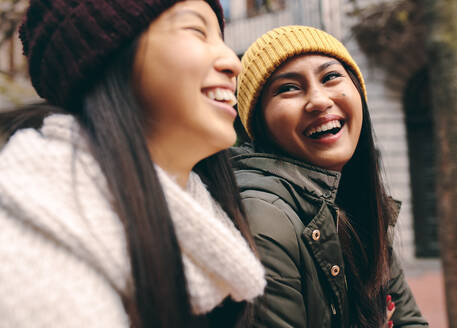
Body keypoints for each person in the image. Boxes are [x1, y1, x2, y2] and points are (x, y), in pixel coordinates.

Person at [0, 0, 266, 327]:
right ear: (107, 57)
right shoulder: (27, 261)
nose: (233, 63)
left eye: (221, 39)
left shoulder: (203, 218)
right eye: (197, 30)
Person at [230, 25, 428, 328]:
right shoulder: (262, 220)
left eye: (331, 77)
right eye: (288, 88)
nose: (319, 100)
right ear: (261, 125)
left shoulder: (358, 203)